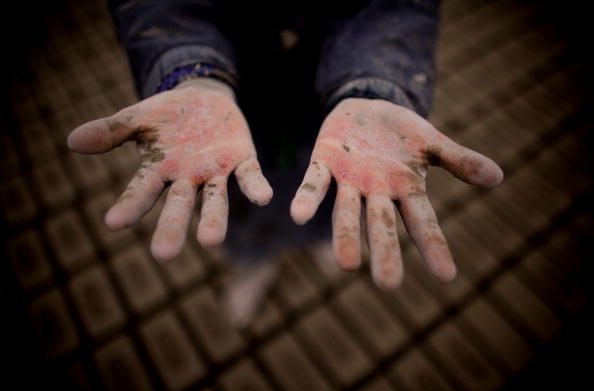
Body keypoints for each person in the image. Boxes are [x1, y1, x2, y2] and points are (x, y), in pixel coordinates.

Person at [67, 0, 503, 326]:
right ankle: (256, 261)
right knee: (242, 203)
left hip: (335, 109)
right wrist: (192, 69)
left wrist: (376, 87)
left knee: (339, 192)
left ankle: (319, 239)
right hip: (234, 104)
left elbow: (396, 6)